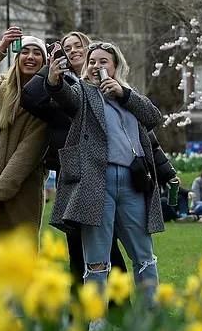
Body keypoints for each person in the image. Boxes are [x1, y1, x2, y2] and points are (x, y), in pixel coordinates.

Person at [46, 40, 164, 313]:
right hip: (96, 183)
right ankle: (96, 320)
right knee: (96, 257)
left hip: (133, 183)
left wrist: (123, 94)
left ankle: (152, 315)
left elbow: (153, 116)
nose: (97, 66)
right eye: (93, 61)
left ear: (116, 65)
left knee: (143, 253)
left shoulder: (128, 94)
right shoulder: (83, 92)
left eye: (104, 61)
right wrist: (54, 81)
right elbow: (66, 97)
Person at [21, 30, 129, 287]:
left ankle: (116, 307)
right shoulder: (61, 85)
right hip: (72, 172)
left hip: (101, 171)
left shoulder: (107, 87)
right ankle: (82, 309)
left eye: (78, 45)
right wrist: (49, 67)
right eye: (67, 48)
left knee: (105, 242)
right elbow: (30, 98)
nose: (73, 50)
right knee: (76, 243)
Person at [0, 27, 49, 250]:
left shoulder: (49, 97)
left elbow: (32, 146)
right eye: (25, 52)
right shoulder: (1, 90)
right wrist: (0, 48)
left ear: (44, 60)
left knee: (20, 249)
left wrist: (5, 186)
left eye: (36, 53)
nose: (30, 57)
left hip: (22, 184)